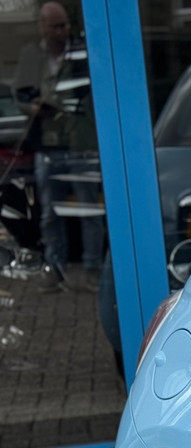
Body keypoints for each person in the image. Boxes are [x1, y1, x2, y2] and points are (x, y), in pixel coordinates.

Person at [13, 1, 104, 293]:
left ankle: (92, 269)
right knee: (50, 212)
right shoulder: (31, 54)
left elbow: (90, 91)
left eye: (65, 25)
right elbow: (20, 92)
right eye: (56, 26)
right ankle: (54, 269)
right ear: (43, 27)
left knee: (90, 210)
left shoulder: (79, 51)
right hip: (47, 143)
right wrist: (33, 107)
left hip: (79, 142)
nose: (62, 31)